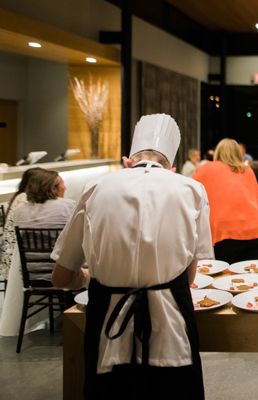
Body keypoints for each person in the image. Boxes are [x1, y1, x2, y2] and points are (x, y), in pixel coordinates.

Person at [51, 113, 212, 399]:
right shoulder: (192, 190)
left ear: (128, 162)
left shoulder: (95, 187)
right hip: (171, 327)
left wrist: (87, 277)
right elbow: (188, 277)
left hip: (106, 325)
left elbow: (61, 277)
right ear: (171, 168)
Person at [0, 168, 75, 337]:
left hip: (31, 276)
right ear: (53, 188)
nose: (66, 187)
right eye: (63, 184)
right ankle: (78, 324)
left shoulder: (20, 210)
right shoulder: (68, 206)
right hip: (60, 274)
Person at [194, 138, 258, 263]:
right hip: (254, 231)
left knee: (226, 278)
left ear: (217, 152)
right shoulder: (247, 170)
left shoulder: (206, 169)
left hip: (224, 232)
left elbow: (192, 198)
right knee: (250, 276)